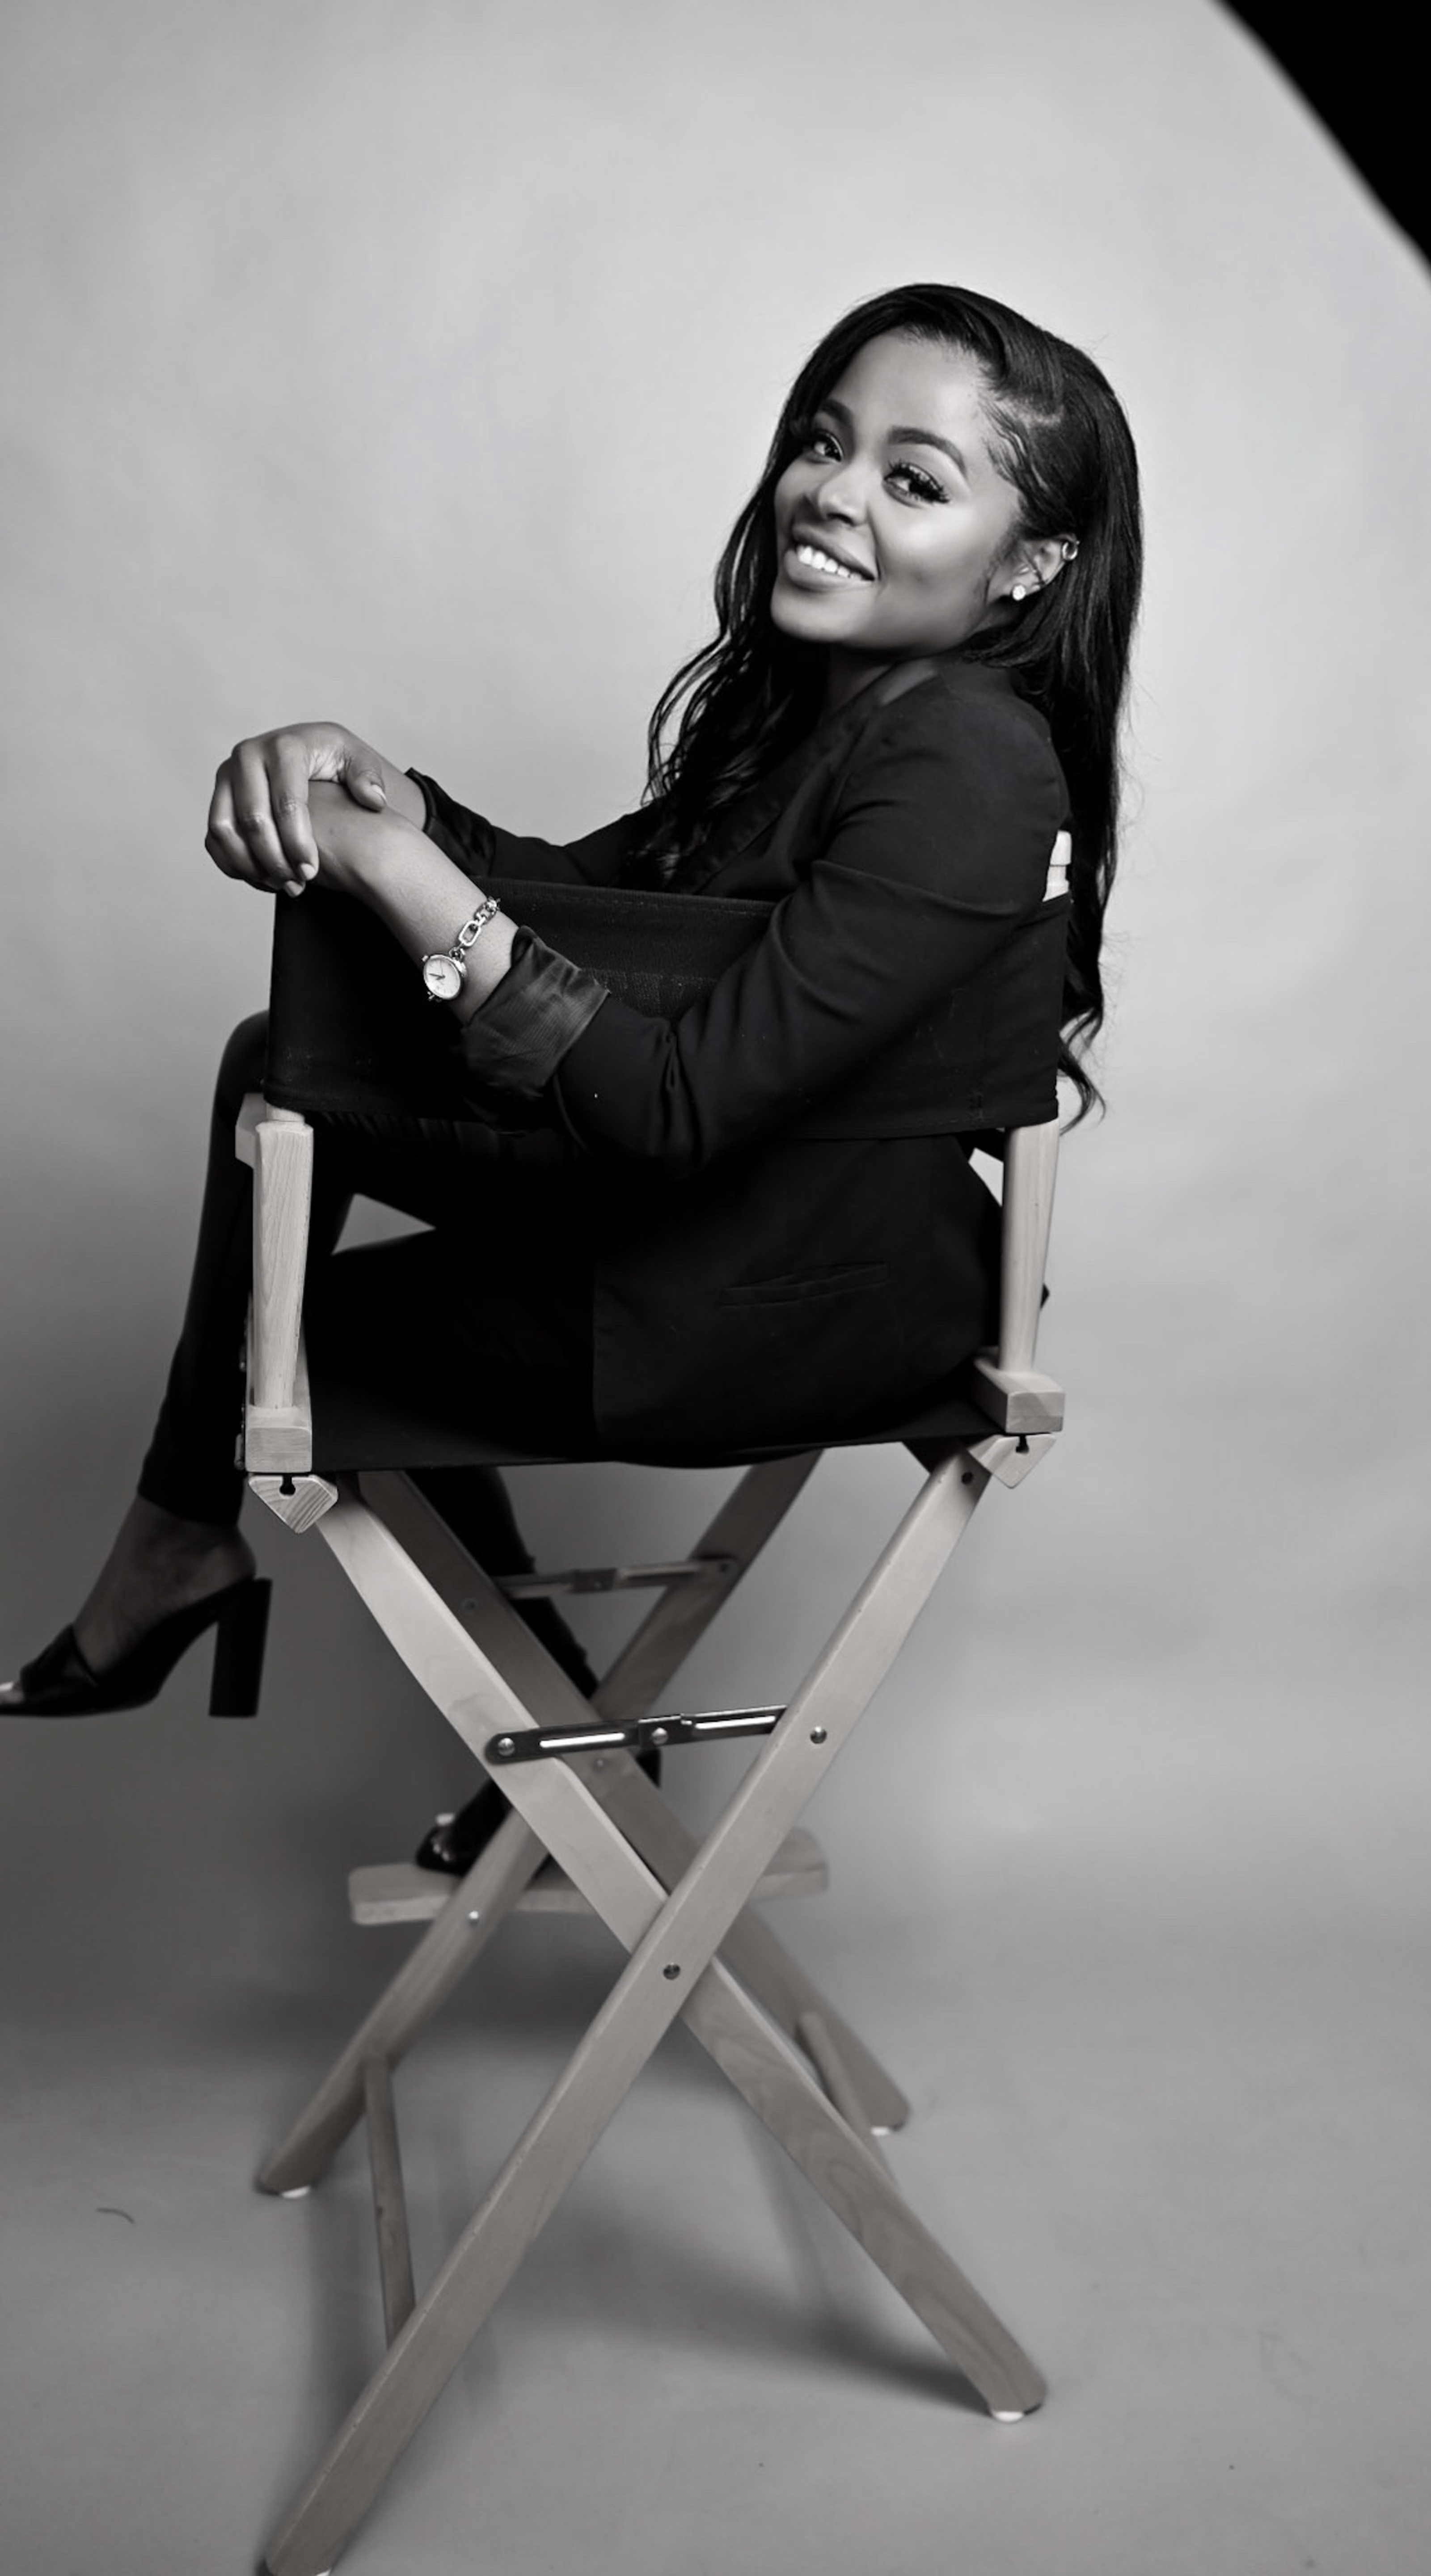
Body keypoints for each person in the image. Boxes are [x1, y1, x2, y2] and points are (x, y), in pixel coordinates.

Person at [2, 280, 1143, 1868]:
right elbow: (571, 906)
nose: (830, 491)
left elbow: (672, 1107)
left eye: (914, 476)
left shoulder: (965, 755)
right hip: (742, 1243)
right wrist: (374, 782)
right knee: (277, 1074)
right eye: (826, 442)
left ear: (1031, 565)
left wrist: (400, 881)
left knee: (301, 1337)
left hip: (794, 1297)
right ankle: (341, 1628)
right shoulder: (819, 719)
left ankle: (298, 1611)